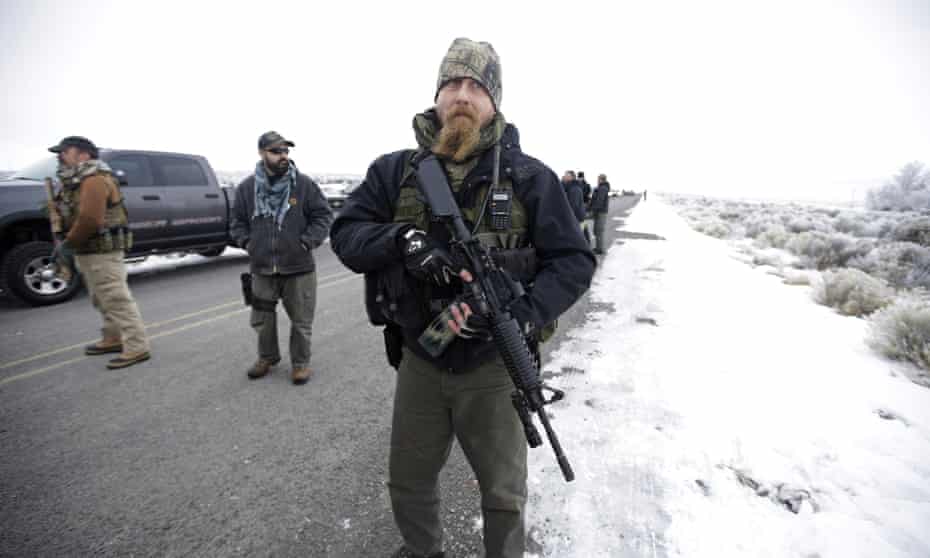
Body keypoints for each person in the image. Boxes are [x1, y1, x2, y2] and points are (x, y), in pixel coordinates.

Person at [330, 38, 595, 558]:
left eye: (476, 86)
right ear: (436, 97)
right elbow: (346, 233)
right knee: (408, 481)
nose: (462, 95)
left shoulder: (529, 178)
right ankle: (423, 550)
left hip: (494, 367)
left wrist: (524, 313)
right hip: (421, 360)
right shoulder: (394, 171)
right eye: (452, 84)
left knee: (503, 495)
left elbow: (574, 260)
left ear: (494, 102)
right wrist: (402, 242)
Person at [230, 131, 333, 385]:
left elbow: (323, 216)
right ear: (262, 153)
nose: (283, 156)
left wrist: (307, 241)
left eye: (286, 151)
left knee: (301, 321)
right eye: (276, 151)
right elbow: (237, 223)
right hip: (262, 268)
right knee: (262, 319)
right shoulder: (247, 189)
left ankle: (300, 364)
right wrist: (248, 243)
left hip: (299, 267)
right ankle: (267, 357)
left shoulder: (304, 185)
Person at [48, 136, 151, 369]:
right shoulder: (76, 180)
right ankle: (113, 337)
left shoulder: (94, 180)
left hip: (101, 250)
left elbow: (90, 219)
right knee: (100, 297)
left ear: (84, 154)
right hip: (89, 249)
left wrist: (69, 243)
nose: (60, 156)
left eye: (65, 151)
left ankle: (137, 346)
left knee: (115, 297)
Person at [590, 173, 612, 254]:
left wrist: (593, 210)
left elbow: (599, 201)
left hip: (601, 212)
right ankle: (598, 247)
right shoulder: (601, 188)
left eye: (598, 179)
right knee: (597, 230)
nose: (597, 180)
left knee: (599, 230)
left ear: (601, 179)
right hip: (599, 212)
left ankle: (600, 249)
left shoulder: (603, 188)